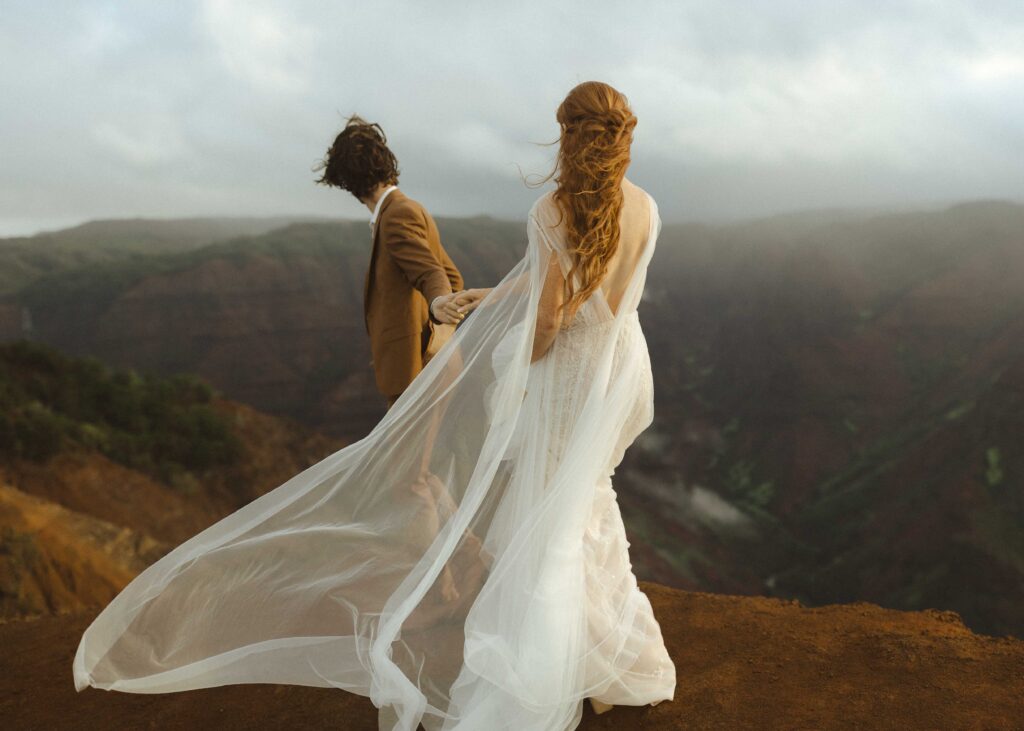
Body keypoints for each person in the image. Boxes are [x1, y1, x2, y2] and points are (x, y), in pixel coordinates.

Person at [73, 81, 677, 731]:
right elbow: (573, 286)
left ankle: (545, 672)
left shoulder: (552, 210)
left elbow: (552, 317)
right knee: (582, 499)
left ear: (570, 135)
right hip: (618, 371)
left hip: (566, 378)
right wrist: (489, 296)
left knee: (548, 516)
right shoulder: (646, 207)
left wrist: (514, 365)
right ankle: (612, 660)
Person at [315, 115, 471, 409]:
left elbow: (432, 273)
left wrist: (437, 306)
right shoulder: (407, 207)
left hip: (415, 373)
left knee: (414, 457)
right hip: (432, 368)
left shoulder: (397, 215)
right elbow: (453, 276)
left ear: (345, 179)